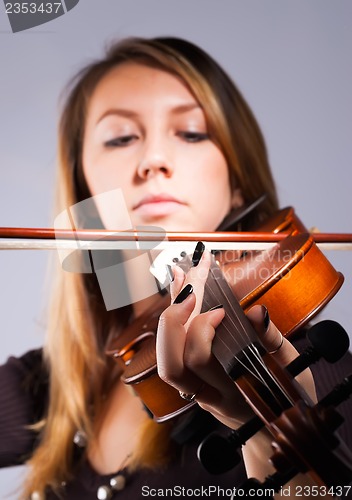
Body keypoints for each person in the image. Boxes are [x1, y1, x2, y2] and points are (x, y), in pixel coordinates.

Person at [0, 37, 351, 500]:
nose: (153, 161)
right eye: (121, 138)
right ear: (84, 195)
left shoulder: (313, 365)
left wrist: (260, 428)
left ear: (238, 183)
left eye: (190, 132)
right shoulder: (61, 381)